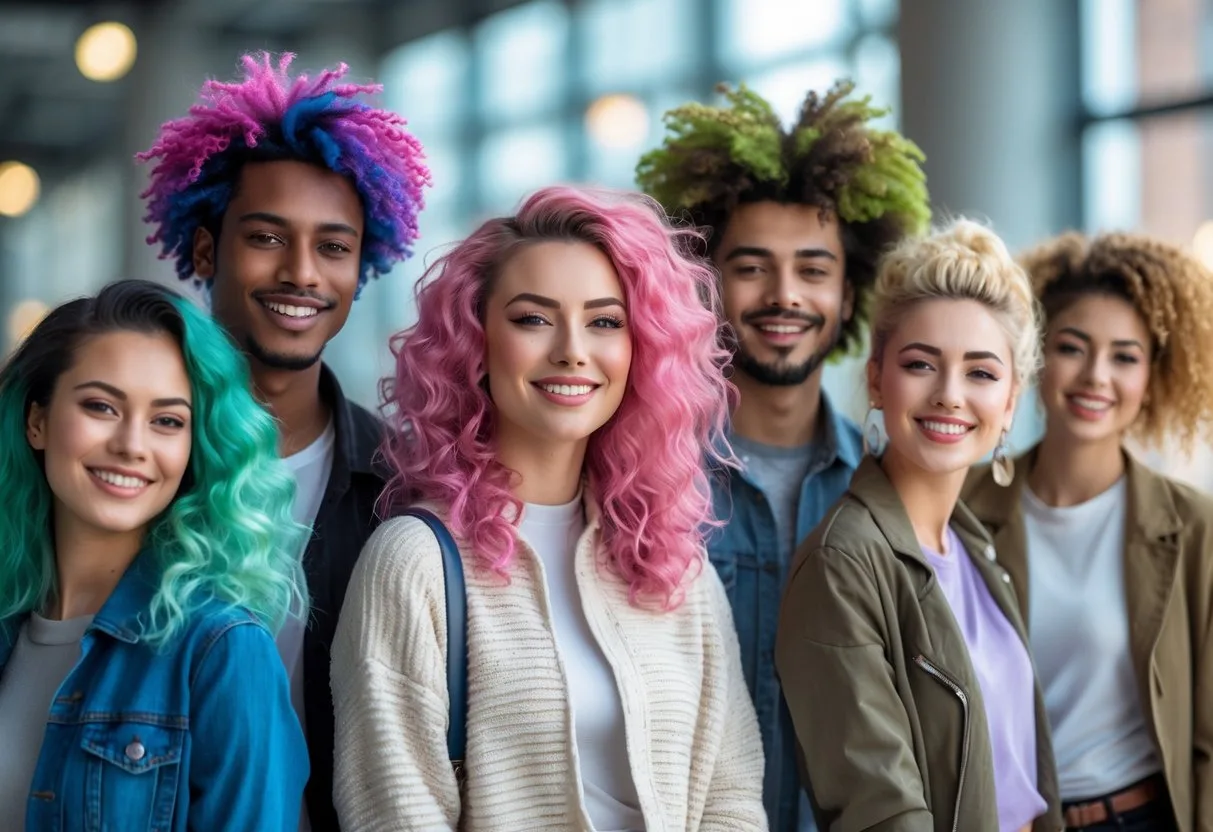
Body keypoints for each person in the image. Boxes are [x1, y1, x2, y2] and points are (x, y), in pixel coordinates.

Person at [331, 186, 767, 831]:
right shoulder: (415, 562)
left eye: (605, 321)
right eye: (533, 319)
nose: (572, 349)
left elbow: (731, 798)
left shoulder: (677, 565)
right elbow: (394, 812)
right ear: (475, 343)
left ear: (641, 348)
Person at [137, 51, 430, 830]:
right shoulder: (129, 465)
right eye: (267, 238)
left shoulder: (406, 485)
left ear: (360, 269)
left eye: (333, 247)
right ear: (207, 252)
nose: (301, 273)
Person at [635, 79, 930, 831]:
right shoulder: (643, 476)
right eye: (751, 266)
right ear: (705, 282)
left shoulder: (894, 488)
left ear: (850, 289)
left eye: (813, 268)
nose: (783, 294)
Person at [775, 219, 1063, 832]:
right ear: (878, 379)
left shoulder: (975, 548)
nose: (950, 395)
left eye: (981, 373)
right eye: (921, 364)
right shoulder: (843, 564)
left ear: (1010, 401)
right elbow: (879, 811)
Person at [0, 279, 308, 830]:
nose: (133, 445)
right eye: (101, 406)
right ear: (37, 420)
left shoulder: (223, 650)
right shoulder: (8, 625)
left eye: (167, 420)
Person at [964, 232, 1213, 832]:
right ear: (1036, 356)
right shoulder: (963, 505)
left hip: (1143, 817)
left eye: (1125, 356)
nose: (1096, 376)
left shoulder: (1193, 526)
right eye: (1072, 348)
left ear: (1153, 376)